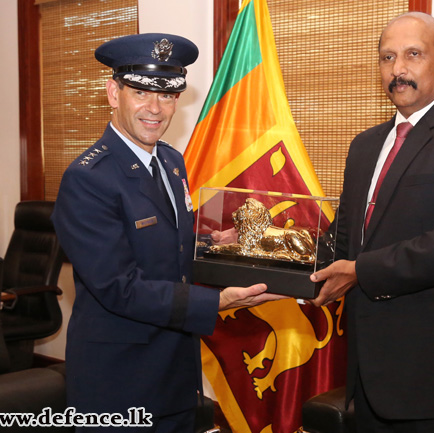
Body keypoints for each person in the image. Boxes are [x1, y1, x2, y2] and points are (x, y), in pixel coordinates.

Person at [51, 33, 284, 432]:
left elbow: (166, 240)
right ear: (113, 93)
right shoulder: (87, 178)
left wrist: (213, 242)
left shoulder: (172, 161)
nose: (155, 109)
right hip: (120, 379)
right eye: (141, 93)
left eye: (168, 96)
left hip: (175, 368)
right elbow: (117, 286)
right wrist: (217, 302)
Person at [309, 12, 434, 433]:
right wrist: (261, 246)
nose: (398, 70)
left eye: (413, 55)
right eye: (387, 58)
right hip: (370, 380)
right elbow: (343, 241)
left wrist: (361, 271)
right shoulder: (364, 146)